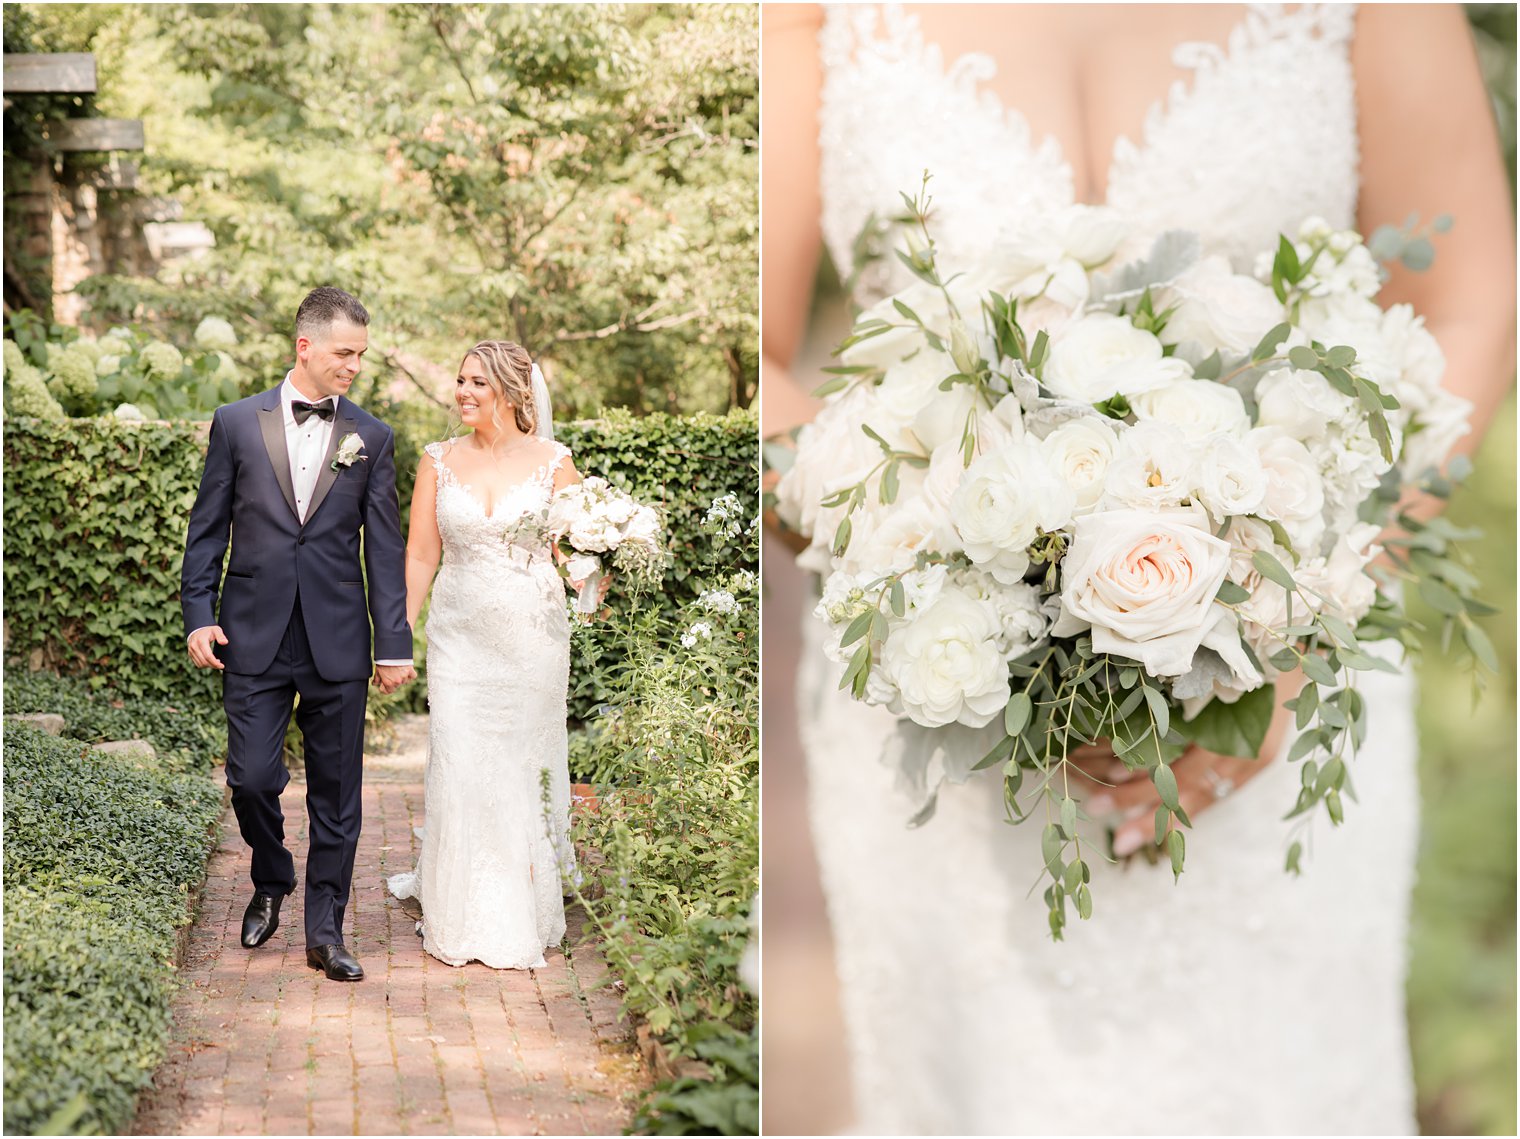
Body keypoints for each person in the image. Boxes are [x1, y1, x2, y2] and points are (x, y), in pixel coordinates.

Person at [762, 4, 1514, 1133]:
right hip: (936, 700)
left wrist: (1295, 624)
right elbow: (756, 362)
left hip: (1287, 697)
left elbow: (1462, 298)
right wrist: (935, 564)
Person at [183, 286, 417, 983]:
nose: (354, 367)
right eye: (345, 353)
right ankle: (272, 875)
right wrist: (199, 613)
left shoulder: (371, 437)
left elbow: (384, 547)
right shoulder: (235, 423)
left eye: (361, 356)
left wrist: (394, 641)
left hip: (337, 639)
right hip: (252, 633)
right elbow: (207, 530)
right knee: (252, 778)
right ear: (305, 346)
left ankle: (325, 928)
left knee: (338, 793)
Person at [387, 341, 587, 969]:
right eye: (461, 380)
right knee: (460, 753)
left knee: (523, 762)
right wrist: (398, 636)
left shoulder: (555, 462)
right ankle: (461, 901)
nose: (463, 392)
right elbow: (421, 554)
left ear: (511, 391)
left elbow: (574, 551)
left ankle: (523, 896)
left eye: (478, 383)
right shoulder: (437, 461)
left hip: (533, 636)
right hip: (459, 636)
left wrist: (596, 577)